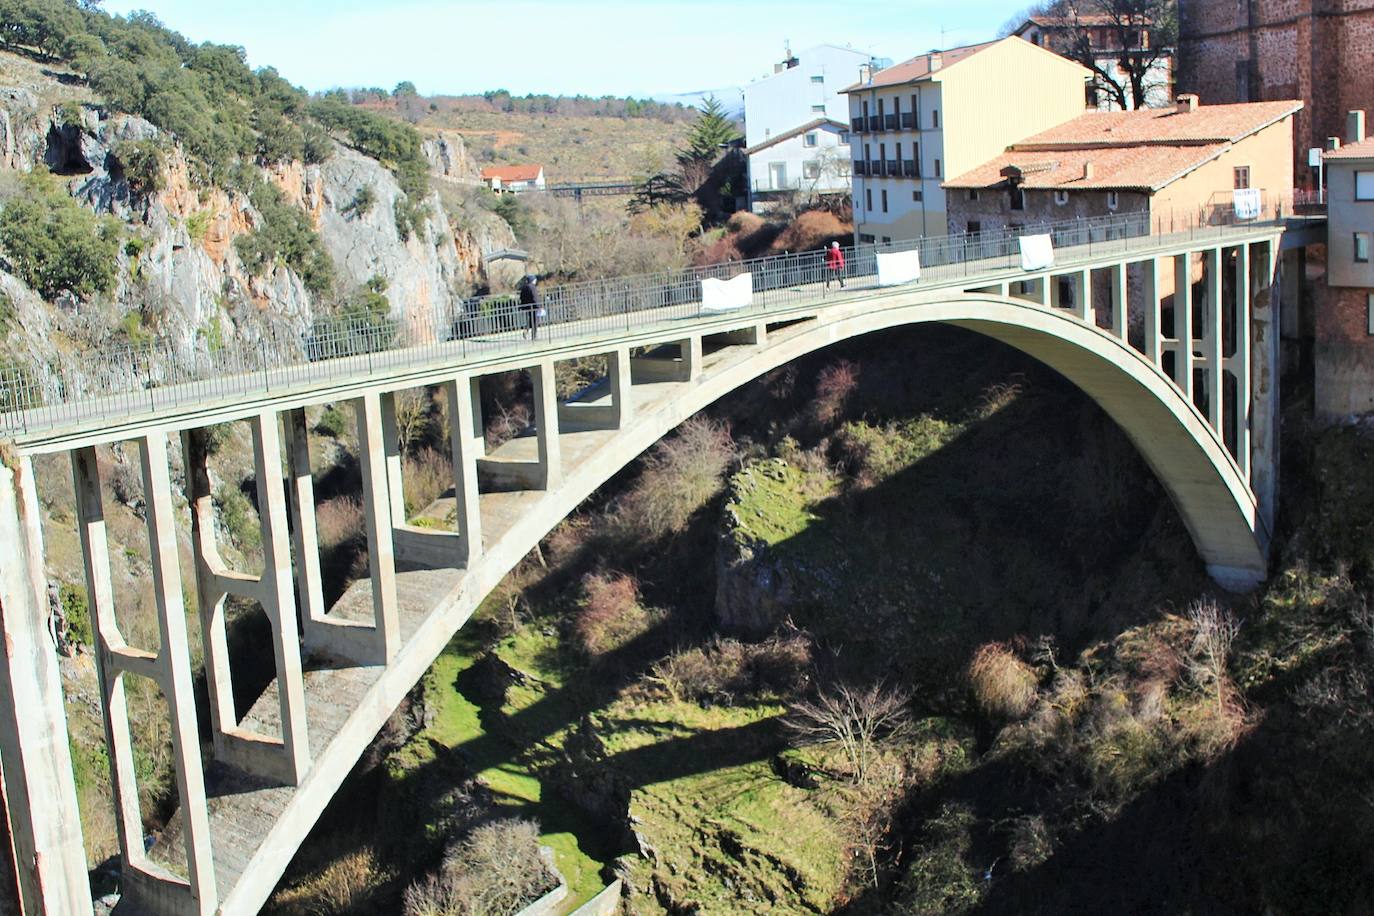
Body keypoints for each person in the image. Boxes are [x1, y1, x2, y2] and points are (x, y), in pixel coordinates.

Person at [518, 274, 541, 339]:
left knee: (531, 319)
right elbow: (535, 297)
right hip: (534, 306)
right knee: (535, 321)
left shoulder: (524, 287)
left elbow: (521, 297)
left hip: (527, 306)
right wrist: (538, 306)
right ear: (533, 280)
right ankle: (534, 336)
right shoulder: (532, 287)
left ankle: (526, 330)